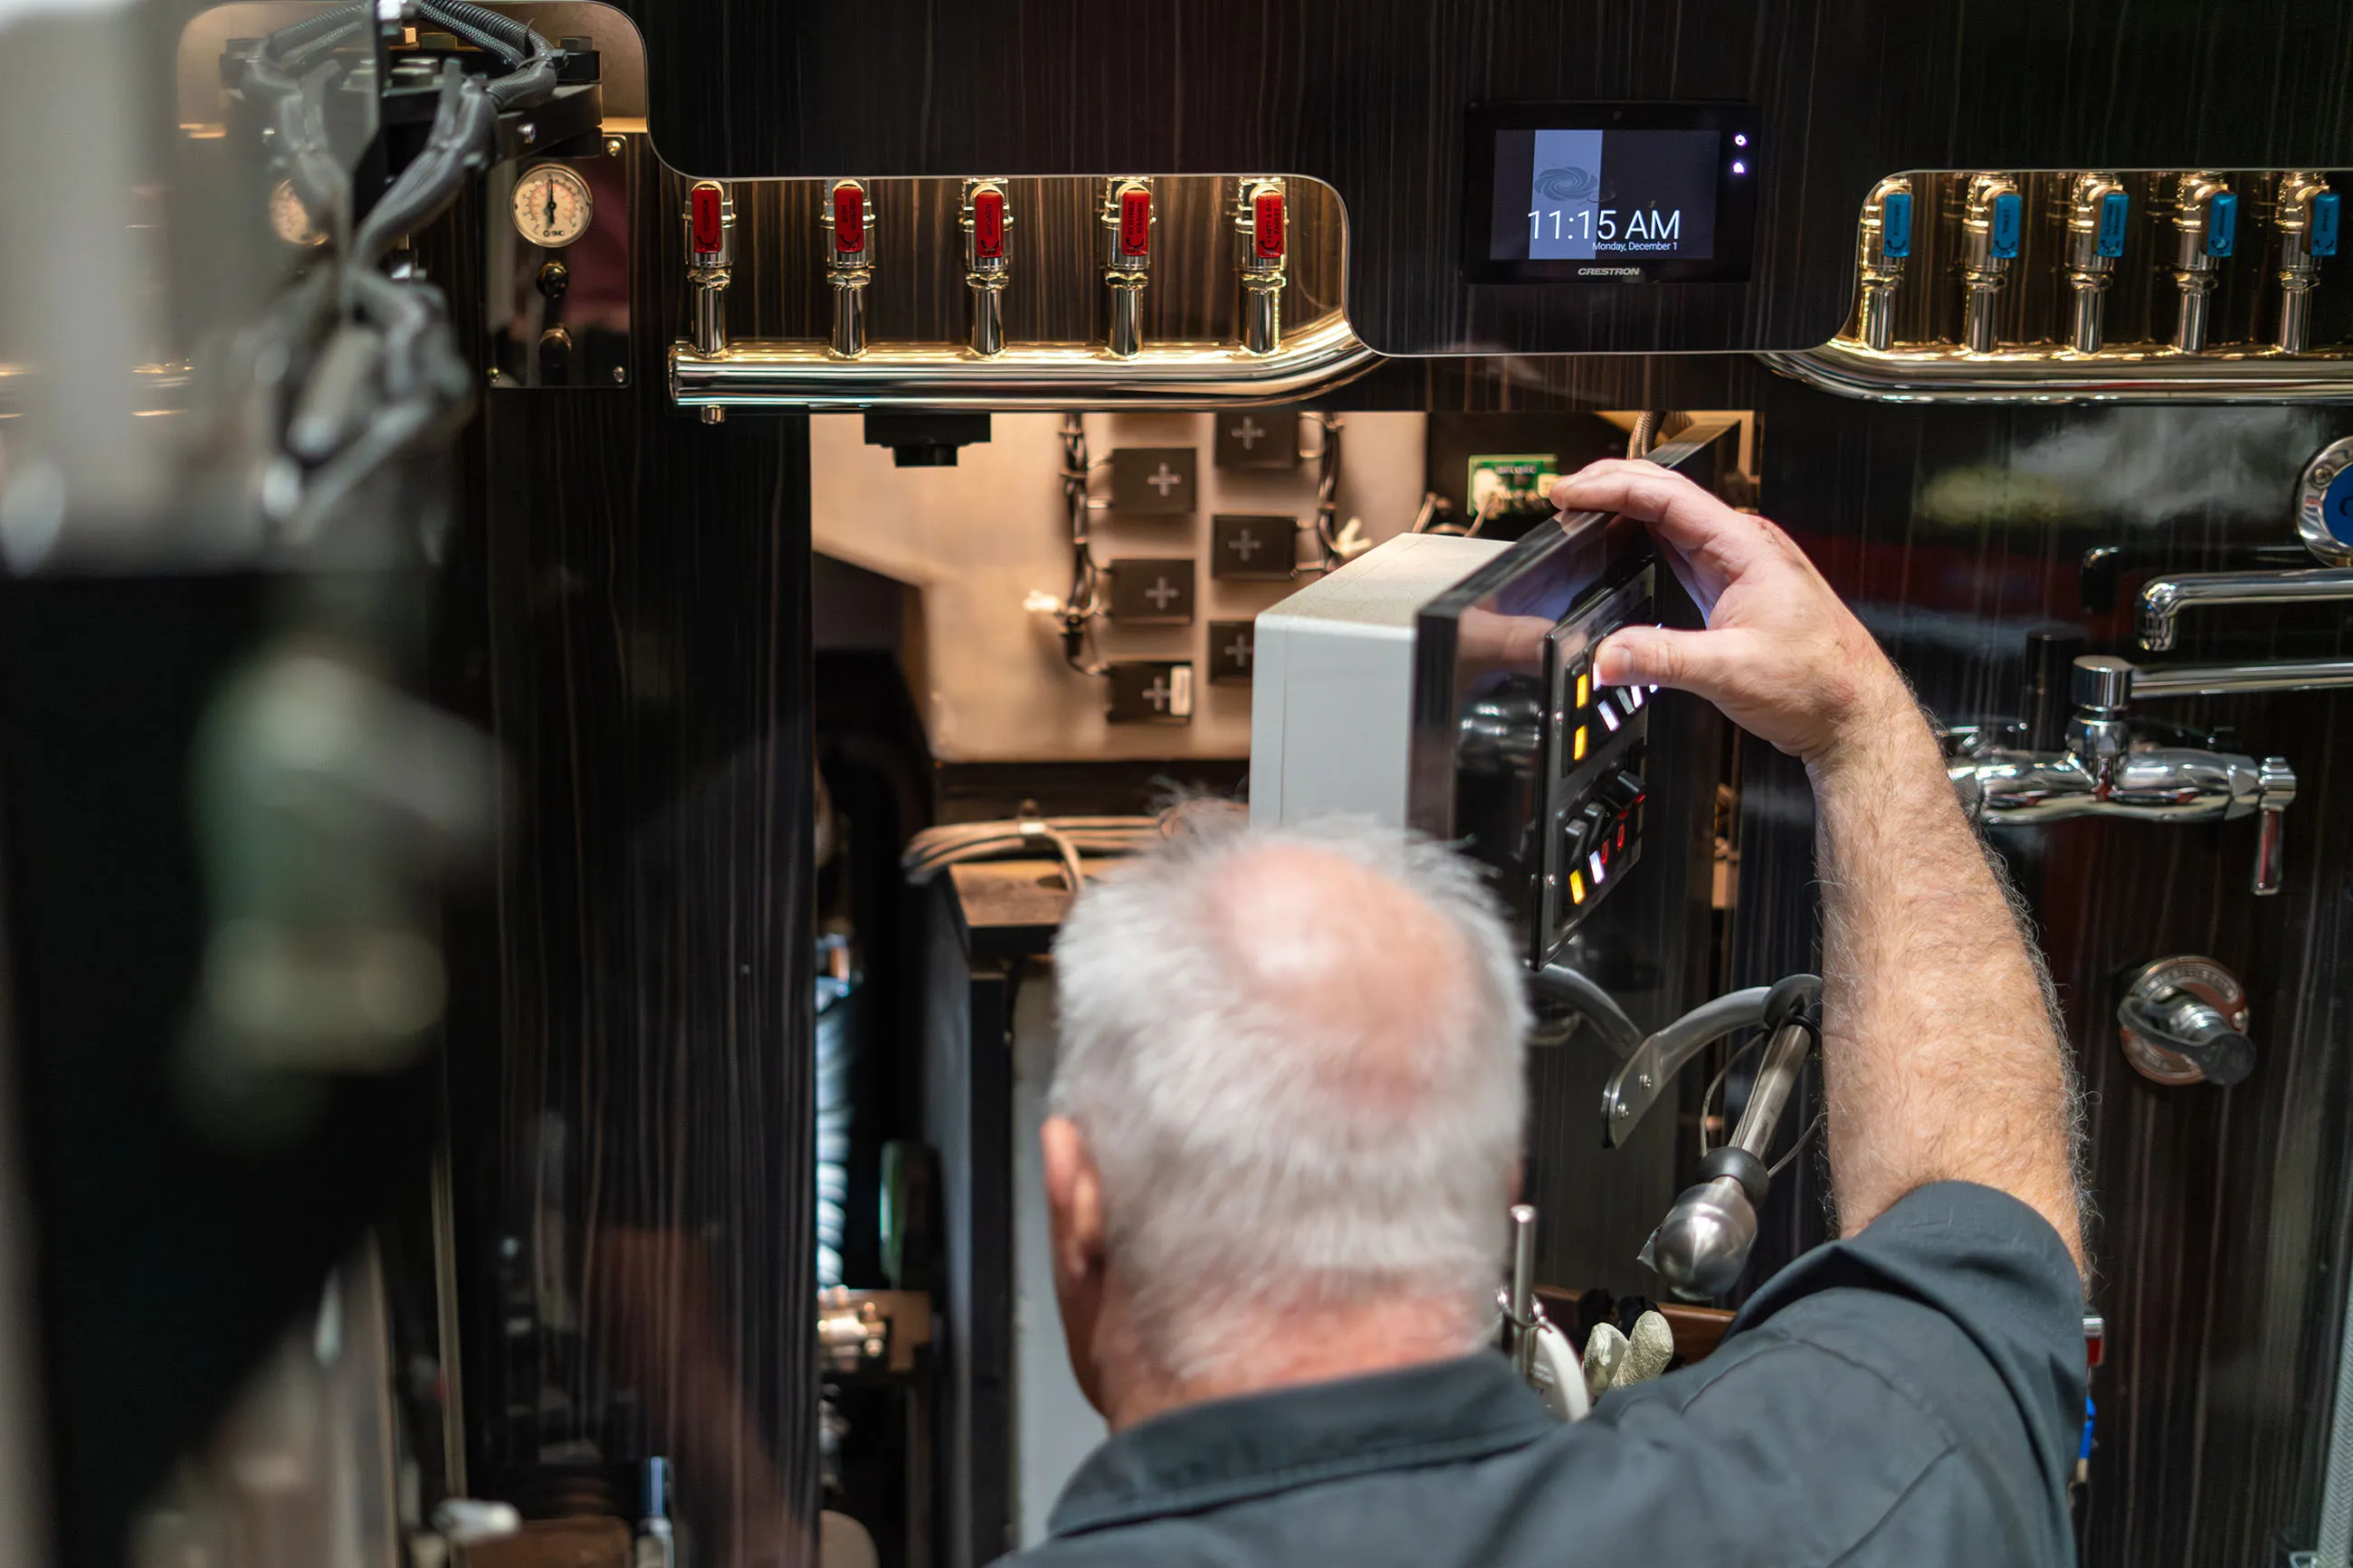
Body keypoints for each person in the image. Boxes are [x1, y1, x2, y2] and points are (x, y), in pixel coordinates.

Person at [1010, 459, 2088, 1566]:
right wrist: (1856, 729)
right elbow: (1983, 1225)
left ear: (1074, 1205)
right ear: (1502, 1192)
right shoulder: (1876, 1470)